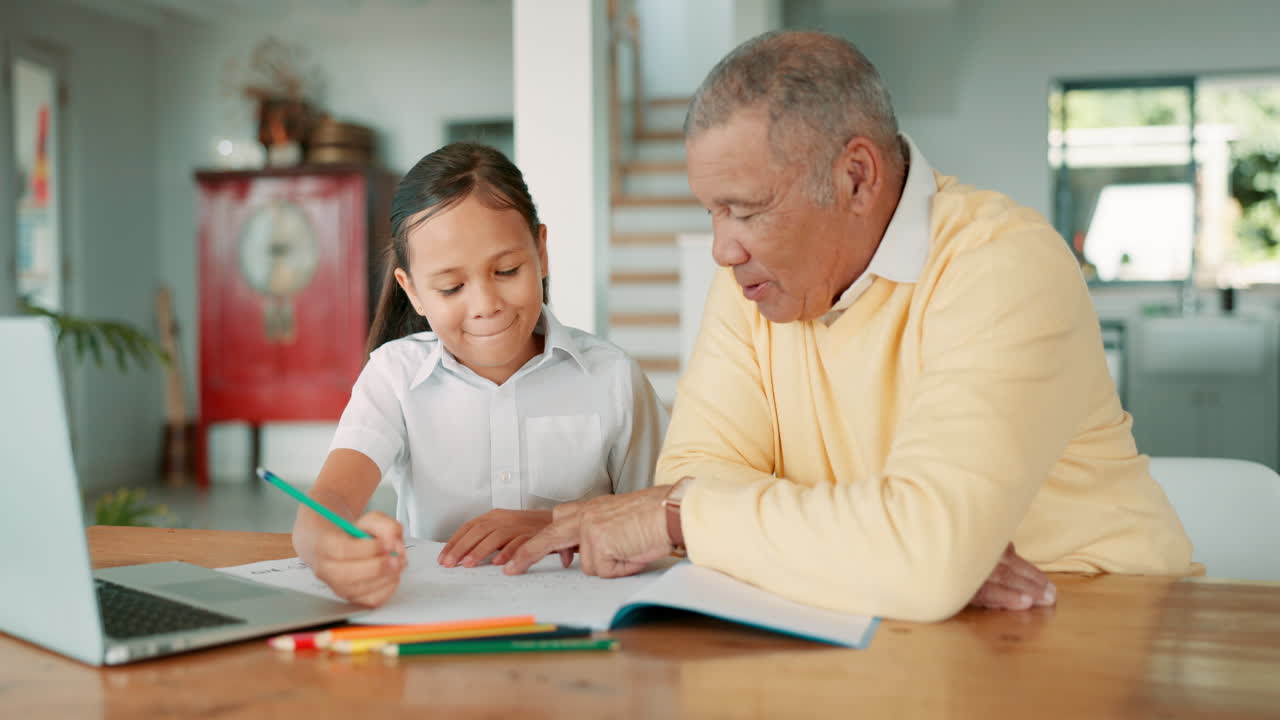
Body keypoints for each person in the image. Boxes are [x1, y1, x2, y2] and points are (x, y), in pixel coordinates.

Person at [505, 31, 1192, 622]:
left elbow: (915, 556)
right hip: (884, 627)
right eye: (711, 212)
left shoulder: (1002, 262)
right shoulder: (750, 285)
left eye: (745, 210)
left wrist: (685, 520)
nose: (722, 248)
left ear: (856, 178)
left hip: (1095, 623)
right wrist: (878, 551)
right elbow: (699, 472)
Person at [292, 142, 668, 606]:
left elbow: (663, 515)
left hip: (583, 622)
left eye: (507, 270)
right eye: (451, 287)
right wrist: (331, 550)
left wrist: (556, 525)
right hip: (438, 625)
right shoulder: (393, 376)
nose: (486, 305)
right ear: (412, 291)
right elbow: (328, 502)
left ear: (541, 252)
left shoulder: (612, 377)